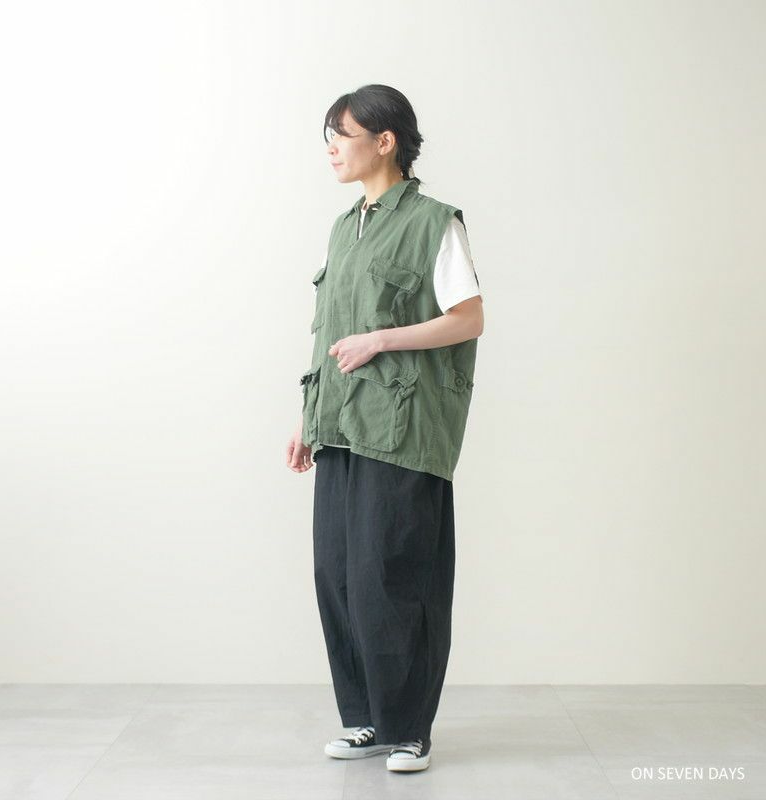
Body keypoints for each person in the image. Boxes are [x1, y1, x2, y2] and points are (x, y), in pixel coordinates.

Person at [285, 84, 483, 773]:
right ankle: (365, 718)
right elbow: (328, 334)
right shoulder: (345, 227)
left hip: (402, 428)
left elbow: (468, 318)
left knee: (394, 574)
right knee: (340, 575)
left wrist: (382, 339)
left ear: (385, 140)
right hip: (339, 425)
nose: (332, 149)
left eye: (341, 134)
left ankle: (409, 729)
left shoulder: (434, 223)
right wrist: (306, 420)